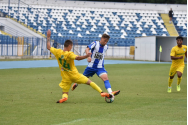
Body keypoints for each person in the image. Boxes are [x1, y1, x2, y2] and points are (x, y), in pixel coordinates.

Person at [46, 29, 112, 103]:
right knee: (90, 82)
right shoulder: (69, 54)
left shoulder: (57, 52)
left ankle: (64, 98)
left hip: (65, 77)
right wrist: (86, 56)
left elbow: (48, 47)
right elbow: (77, 58)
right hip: (75, 75)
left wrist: (48, 37)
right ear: (70, 46)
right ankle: (101, 92)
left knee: (65, 92)